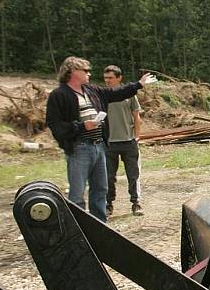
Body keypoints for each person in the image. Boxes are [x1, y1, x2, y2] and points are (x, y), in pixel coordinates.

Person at [45, 56, 153, 222]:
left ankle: (99, 226)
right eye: (85, 71)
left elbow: (117, 92)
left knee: (100, 189)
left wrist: (138, 84)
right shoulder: (59, 95)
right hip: (79, 148)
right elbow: (55, 125)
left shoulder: (92, 90)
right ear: (72, 72)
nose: (89, 73)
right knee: (77, 193)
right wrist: (82, 126)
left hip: (99, 147)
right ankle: (80, 229)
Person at [103, 65, 143, 217]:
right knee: (108, 177)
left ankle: (136, 203)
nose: (107, 81)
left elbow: (137, 117)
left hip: (128, 141)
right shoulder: (103, 95)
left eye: (110, 78)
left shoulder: (129, 94)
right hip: (109, 143)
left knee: (133, 175)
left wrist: (136, 137)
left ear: (119, 78)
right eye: (105, 78)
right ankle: (108, 205)